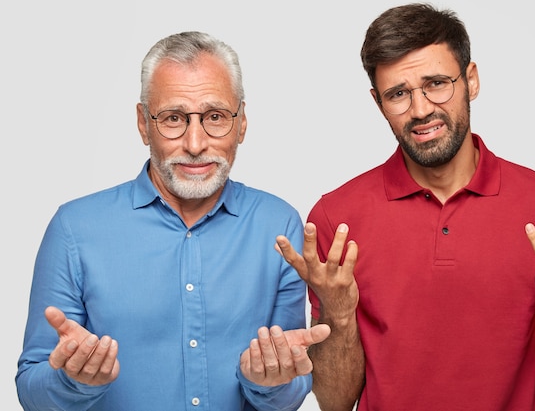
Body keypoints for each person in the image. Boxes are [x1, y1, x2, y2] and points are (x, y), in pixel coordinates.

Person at [275, 3, 535, 411]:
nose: (420, 110)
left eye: (436, 83)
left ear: (471, 80)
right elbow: (335, 401)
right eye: (398, 94)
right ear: (378, 102)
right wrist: (338, 313)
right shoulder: (336, 218)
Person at [16, 31, 330, 411]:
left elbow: (289, 391)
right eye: (173, 118)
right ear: (143, 122)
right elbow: (31, 389)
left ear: (242, 122)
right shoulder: (73, 229)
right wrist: (73, 380)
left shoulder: (278, 224)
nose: (195, 143)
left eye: (215, 117)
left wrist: (268, 382)